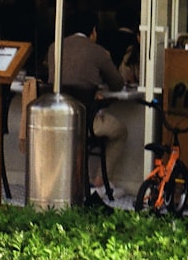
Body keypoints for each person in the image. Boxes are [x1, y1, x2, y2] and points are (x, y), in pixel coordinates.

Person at [46, 11, 127, 202]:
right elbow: (118, 84)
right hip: (85, 122)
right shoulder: (97, 51)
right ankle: (99, 183)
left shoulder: (53, 47)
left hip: (55, 119)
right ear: (93, 31)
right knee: (120, 131)